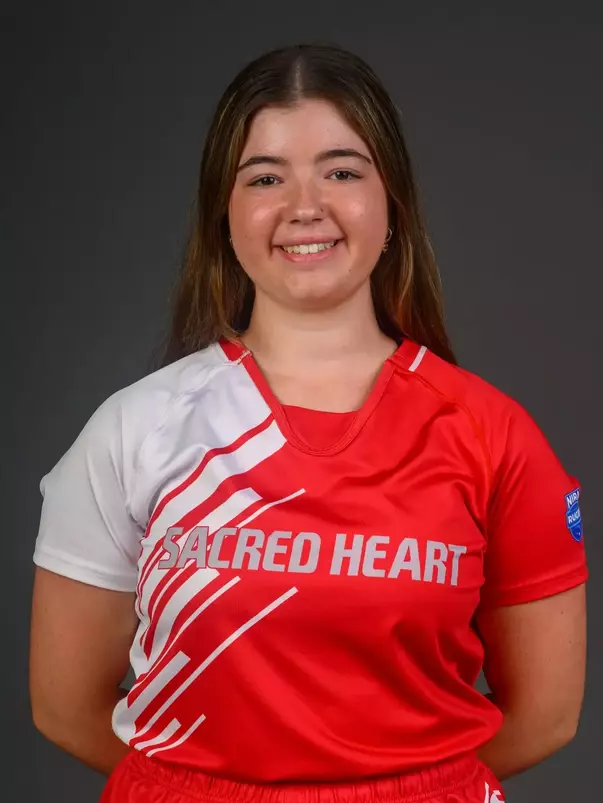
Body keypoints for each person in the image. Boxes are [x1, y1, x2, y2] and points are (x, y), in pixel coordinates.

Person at [29, 42, 587, 803]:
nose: (304, 205)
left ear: (391, 203)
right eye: (264, 177)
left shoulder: (493, 432)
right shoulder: (135, 428)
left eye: (342, 170)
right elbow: (64, 706)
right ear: (223, 215)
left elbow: (546, 714)